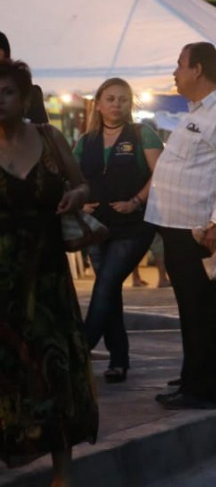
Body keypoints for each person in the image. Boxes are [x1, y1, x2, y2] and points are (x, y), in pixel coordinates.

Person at [0, 58, 98, 485]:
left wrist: (75, 197)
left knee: (57, 367)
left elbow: (82, 185)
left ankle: (63, 474)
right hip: (2, 277)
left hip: (47, 275)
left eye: (6, 93)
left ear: (24, 98)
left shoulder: (49, 137)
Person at [145, 42, 216, 410]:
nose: (175, 73)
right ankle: (193, 377)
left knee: (200, 309)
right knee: (189, 309)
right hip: (176, 224)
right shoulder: (197, 113)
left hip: (199, 227)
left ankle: (201, 388)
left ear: (199, 70)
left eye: (180, 65)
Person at [75, 77, 163, 383]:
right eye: (110, 99)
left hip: (133, 225)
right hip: (96, 225)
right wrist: (79, 202)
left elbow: (161, 174)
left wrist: (136, 201)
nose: (116, 105)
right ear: (98, 103)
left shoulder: (142, 134)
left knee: (106, 284)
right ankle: (119, 359)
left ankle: (80, 349)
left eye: (123, 99)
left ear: (131, 104)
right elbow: (72, 178)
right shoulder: (86, 141)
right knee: (108, 289)